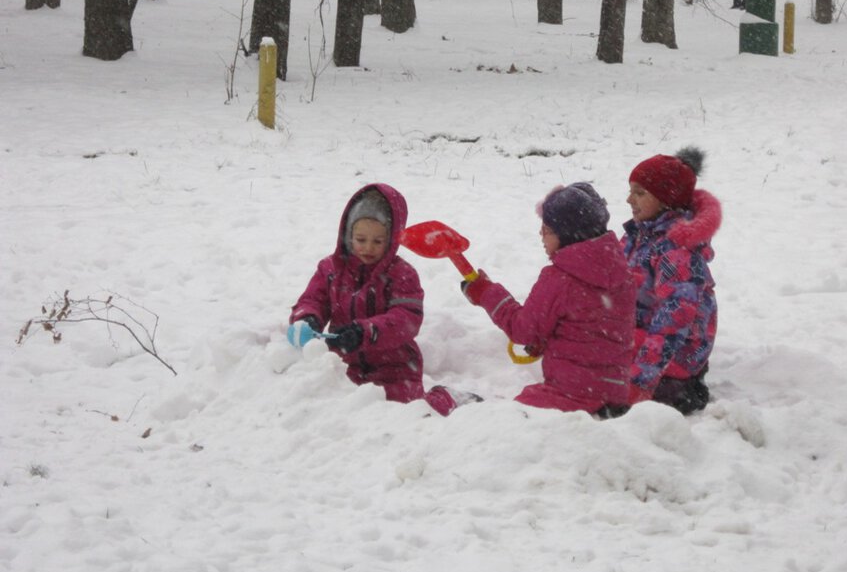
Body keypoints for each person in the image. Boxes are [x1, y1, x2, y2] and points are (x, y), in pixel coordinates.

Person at [287, 184, 467, 416]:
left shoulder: (402, 274)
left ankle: (445, 397)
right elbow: (313, 299)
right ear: (348, 234)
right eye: (361, 239)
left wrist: (366, 332)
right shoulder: (331, 269)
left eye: (378, 241)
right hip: (344, 365)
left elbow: (406, 319)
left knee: (411, 413)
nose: (368, 248)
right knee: (338, 410)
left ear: (392, 239)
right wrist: (308, 319)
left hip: (395, 368)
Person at [460, 183, 636, 418]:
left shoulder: (560, 278)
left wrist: (486, 294)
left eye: (546, 229)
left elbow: (523, 330)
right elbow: (591, 327)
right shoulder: (620, 270)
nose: (541, 235)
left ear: (566, 233)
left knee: (504, 418)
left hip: (569, 395)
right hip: (614, 391)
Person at [624, 147, 721, 414]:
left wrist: (640, 382)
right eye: (631, 190)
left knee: (599, 362)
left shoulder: (676, 252)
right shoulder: (640, 234)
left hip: (680, 351)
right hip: (645, 334)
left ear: (667, 200)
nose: (629, 199)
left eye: (640, 193)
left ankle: (682, 390)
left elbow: (672, 323)